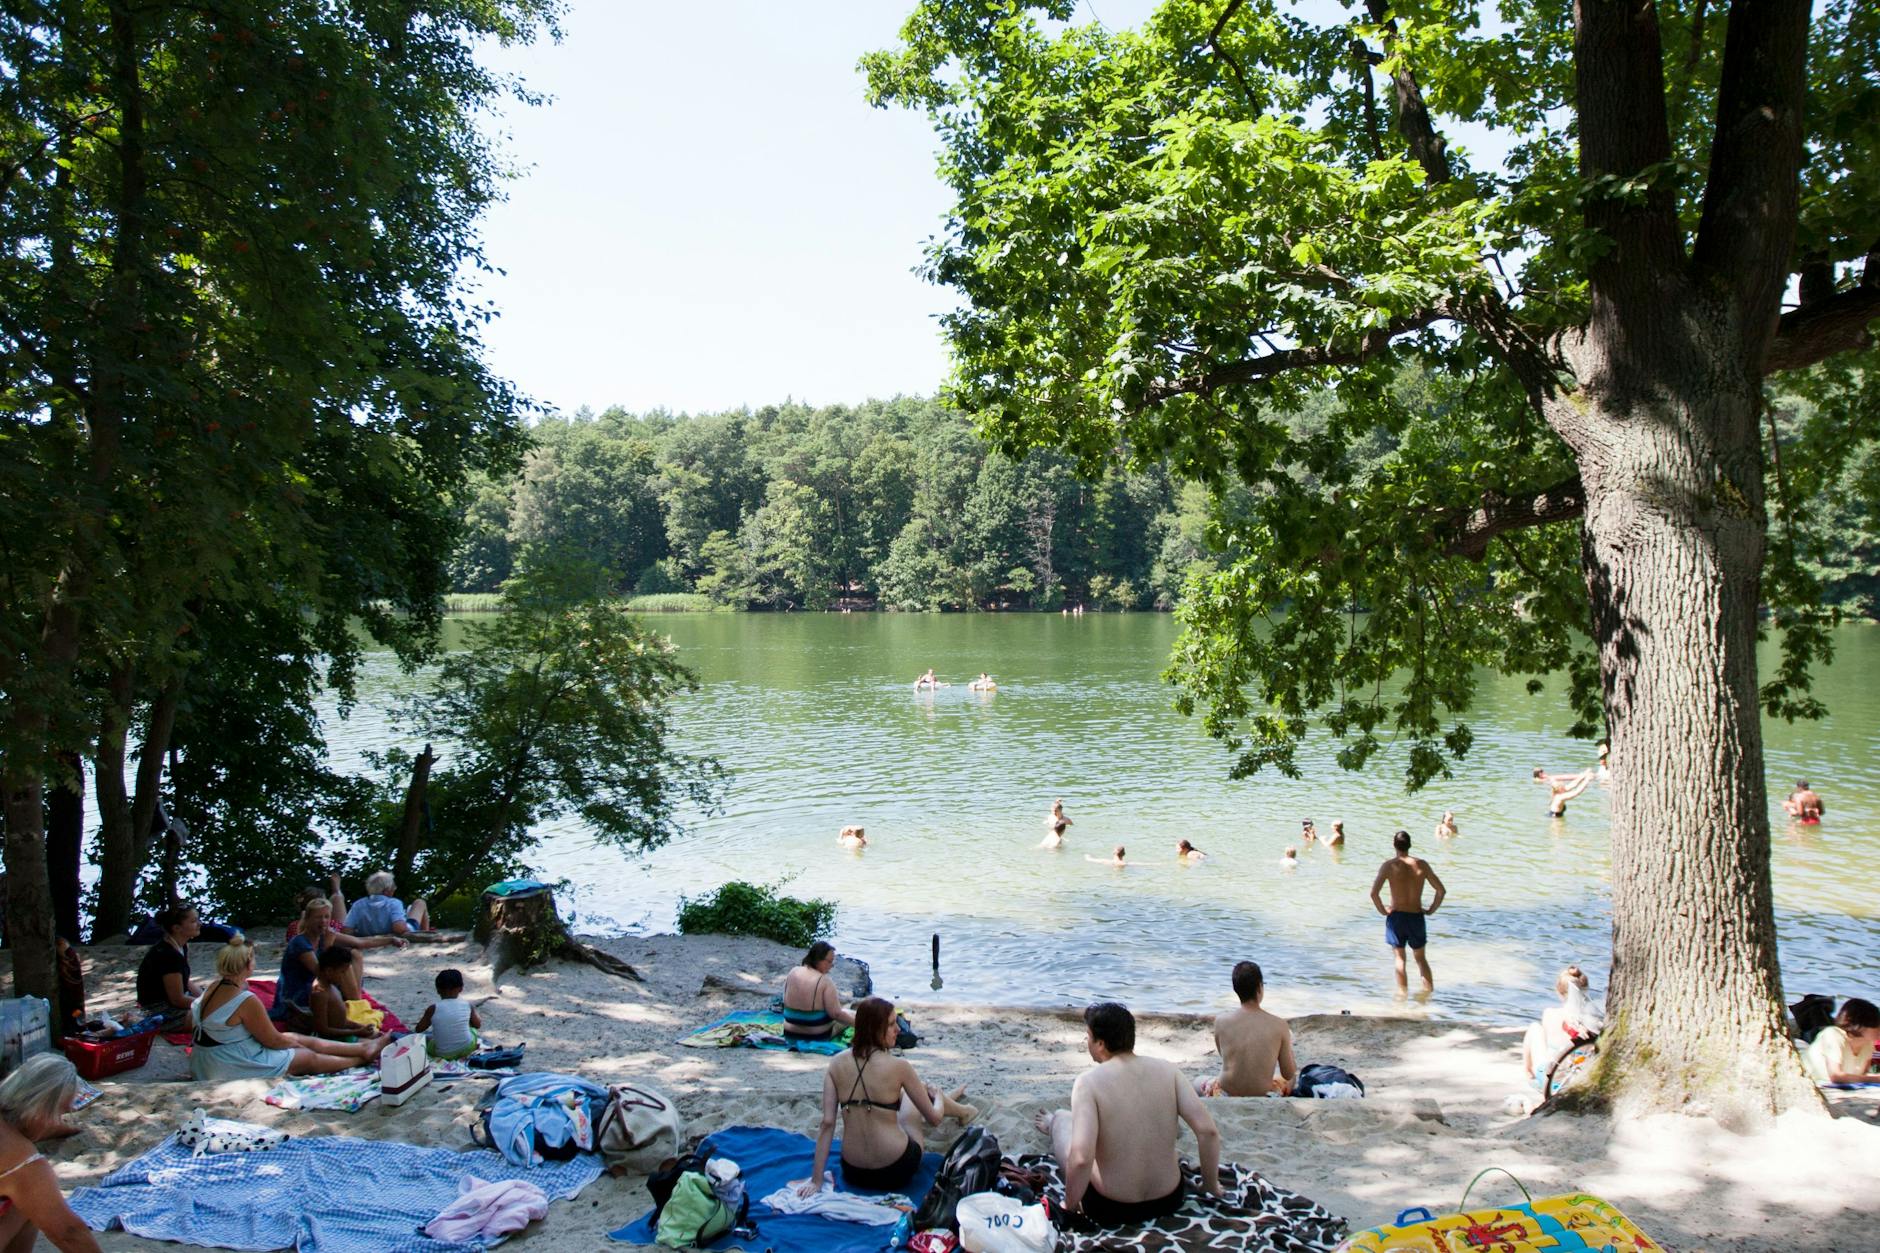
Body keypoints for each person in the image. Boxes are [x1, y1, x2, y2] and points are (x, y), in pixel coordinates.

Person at [1034, 1002, 1222, 1225]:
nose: (1088, 1042)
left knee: (1064, 1119)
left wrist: (1070, 1206)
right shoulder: (1169, 1071)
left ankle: (1053, 1122)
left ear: (1101, 1044)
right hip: (1169, 1200)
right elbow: (1208, 1132)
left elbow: (1082, 1158)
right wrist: (1211, 1186)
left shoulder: (1088, 1083)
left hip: (1110, 1206)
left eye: (1089, 1037)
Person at [798, 997, 975, 1195]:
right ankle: (961, 1110)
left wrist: (816, 1180)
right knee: (913, 1106)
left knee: (902, 1098)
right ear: (875, 1029)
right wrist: (939, 1097)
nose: (898, 1030)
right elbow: (934, 1119)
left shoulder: (836, 1064)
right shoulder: (900, 1067)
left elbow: (827, 1123)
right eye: (891, 1024)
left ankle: (950, 1105)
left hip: (854, 1172)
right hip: (896, 1168)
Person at [191, 937, 391, 1080]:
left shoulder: (211, 988)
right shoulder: (245, 1000)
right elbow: (273, 1040)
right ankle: (358, 1057)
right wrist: (299, 1047)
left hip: (207, 1058)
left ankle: (363, 1048)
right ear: (248, 965)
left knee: (295, 1038)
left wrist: (295, 1042)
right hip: (228, 1062)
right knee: (306, 1056)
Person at [0, 1055, 105, 1252]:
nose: (58, 1122)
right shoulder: (23, 1162)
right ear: (40, 1109)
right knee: (34, 1199)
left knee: (24, 1201)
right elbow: (69, 1233)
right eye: (60, 1113)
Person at [276, 898, 400, 1023]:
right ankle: (357, 1006)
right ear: (308, 919)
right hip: (299, 994)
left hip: (320, 988)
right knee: (341, 965)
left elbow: (360, 942)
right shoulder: (300, 943)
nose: (323, 921)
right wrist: (328, 946)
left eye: (326, 917)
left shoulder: (325, 935)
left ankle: (356, 1003)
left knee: (355, 954)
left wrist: (391, 940)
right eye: (318, 917)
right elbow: (322, 973)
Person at [1194, 962, 1297, 1097]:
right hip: (1263, 1093)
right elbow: (1288, 1073)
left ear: (1235, 989)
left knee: (1198, 1081)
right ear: (1260, 988)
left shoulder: (1221, 1021)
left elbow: (1225, 1057)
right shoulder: (1279, 1024)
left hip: (1225, 1092)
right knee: (1293, 1078)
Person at [1369, 830, 1445, 995]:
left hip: (1396, 917)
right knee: (1421, 959)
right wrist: (1431, 909)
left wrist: (1383, 911)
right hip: (1416, 917)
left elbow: (1374, 893)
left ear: (1394, 845)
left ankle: (1402, 998)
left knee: (1399, 959)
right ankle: (1428, 998)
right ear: (1410, 845)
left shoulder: (1389, 866)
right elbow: (1441, 891)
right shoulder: (1422, 865)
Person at [1521, 965, 1604, 1083]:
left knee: (1534, 1028)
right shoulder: (1594, 1022)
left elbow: (1546, 1043)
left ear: (1558, 992)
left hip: (1550, 1078)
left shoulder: (1549, 1013)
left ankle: (1528, 1071)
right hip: (1575, 1077)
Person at [134, 903, 201, 1026]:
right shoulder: (169, 955)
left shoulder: (181, 946)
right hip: (158, 1010)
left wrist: (204, 996)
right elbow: (177, 999)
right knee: (214, 1019)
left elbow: (184, 981)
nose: (199, 924)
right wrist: (208, 1004)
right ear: (177, 928)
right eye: (193, 921)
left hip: (173, 1001)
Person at [782, 941, 857, 1043]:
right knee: (851, 1013)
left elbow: (785, 1000)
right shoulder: (824, 982)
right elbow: (836, 1014)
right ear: (818, 959)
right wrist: (859, 1024)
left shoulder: (793, 971)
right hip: (815, 1034)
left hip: (789, 1031)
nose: (831, 966)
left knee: (845, 1010)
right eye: (829, 962)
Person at [307, 947, 384, 1041]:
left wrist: (361, 1027)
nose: (344, 976)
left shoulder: (331, 986)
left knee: (379, 1036)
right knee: (378, 1043)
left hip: (343, 1032)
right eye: (342, 972)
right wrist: (356, 1032)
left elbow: (340, 1020)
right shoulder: (319, 993)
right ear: (329, 971)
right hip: (335, 1040)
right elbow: (323, 1030)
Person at [1802, 997, 1879, 1085]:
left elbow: (1862, 1077)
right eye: (1876, 1025)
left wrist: (1873, 1078)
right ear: (1859, 1025)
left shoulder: (1868, 1044)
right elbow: (1836, 1076)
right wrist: (1875, 1078)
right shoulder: (1833, 1035)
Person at [415, 968, 481, 1060]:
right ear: (461, 988)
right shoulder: (467, 1005)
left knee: (426, 1040)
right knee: (472, 1030)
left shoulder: (433, 1008)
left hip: (443, 1054)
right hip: (467, 1049)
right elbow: (477, 1025)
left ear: (438, 990)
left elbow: (419, 1029)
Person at [346, 871, 430, 937]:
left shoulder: (358, 904)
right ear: (387, 890)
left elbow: (347, 930)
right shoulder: (393, 903)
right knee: (419, 903)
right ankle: (426, 934)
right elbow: (399, 928)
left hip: (368, 934)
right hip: (400, 933)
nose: (395, 888)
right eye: (393, 886)